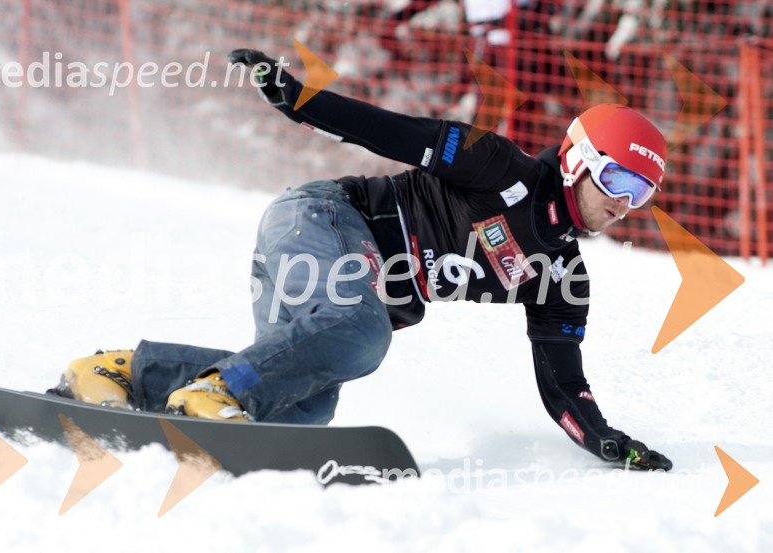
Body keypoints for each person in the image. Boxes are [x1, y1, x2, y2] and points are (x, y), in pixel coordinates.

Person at [48, 48, 672, 471]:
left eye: (642, 194)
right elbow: (392, 130)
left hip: (339, 289)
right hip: (322, 221)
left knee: (303, 410)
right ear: (579, 160)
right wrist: (298, 100)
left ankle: (120, 372)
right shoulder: (499, 165)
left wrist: (604, 441)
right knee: (362, 334)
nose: (625, 204)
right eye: (618, 180)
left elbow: (563, 385)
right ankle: (214, 390)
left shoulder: (562, 279)